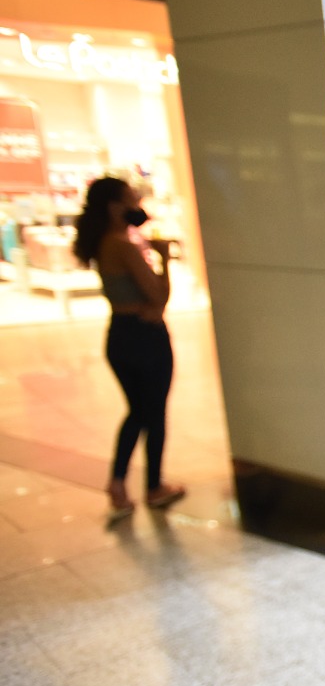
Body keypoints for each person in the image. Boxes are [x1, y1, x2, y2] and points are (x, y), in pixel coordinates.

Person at [73, 177, 185, 519]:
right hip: (145, 336)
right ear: (114, 207)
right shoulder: (121, 245)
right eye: (131, 200)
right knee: (154, 412)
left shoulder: (103, 244)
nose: (138, 207)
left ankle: (119, 482)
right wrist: (163, 258)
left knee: (137, 411)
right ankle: (154, 486)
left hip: (120, 335)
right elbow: (158, 296)